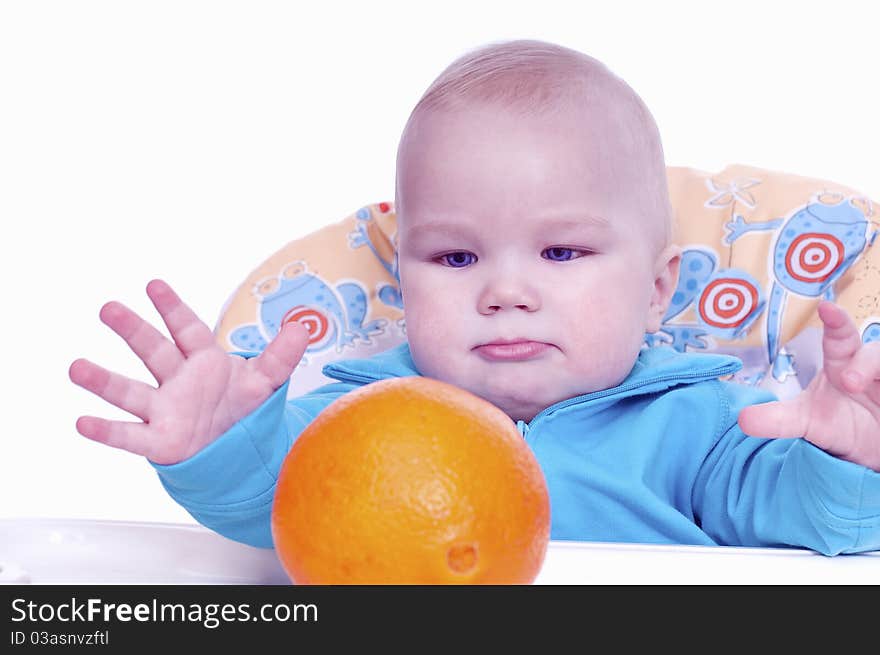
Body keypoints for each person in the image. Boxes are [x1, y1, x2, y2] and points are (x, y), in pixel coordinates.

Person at [69, 40, 880, 554]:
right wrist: (223, 447)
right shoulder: (359, 418)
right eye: (456, 255)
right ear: (402, 277)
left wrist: (844, 458)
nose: (505, 290)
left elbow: (812, 526)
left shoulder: (707, 426)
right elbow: (271, 514)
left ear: (657, 289)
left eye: (562, 251)